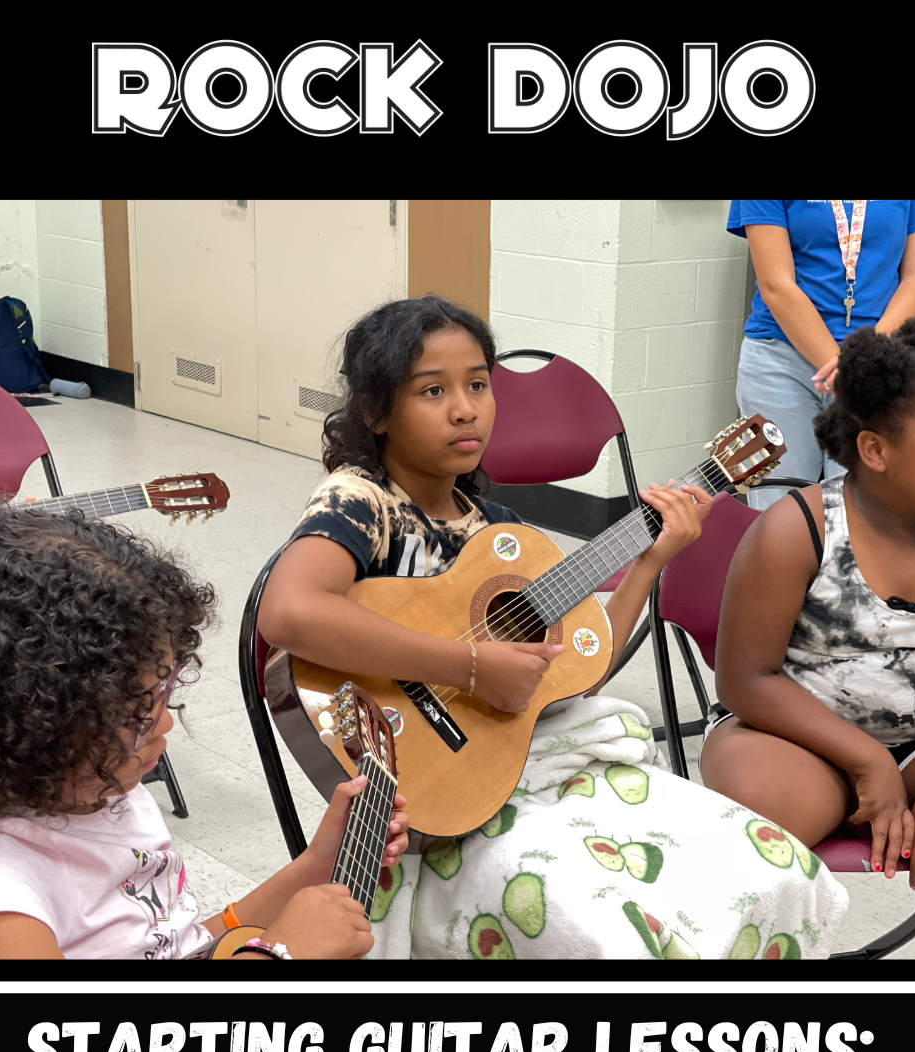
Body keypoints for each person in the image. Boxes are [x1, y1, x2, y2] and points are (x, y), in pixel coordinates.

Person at [257, 295, 851, 960]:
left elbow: (578, 662)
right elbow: (290, 612)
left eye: (479, 383)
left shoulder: (497, 530)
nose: (465, 407)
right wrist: (471, 668)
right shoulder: (360, 500)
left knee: (768, 869)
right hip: (412, 786)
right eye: (433, 390)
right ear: (374, 411)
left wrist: (649, 563)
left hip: (506, 770)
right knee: (614, 932)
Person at [0, 498, 409, 960]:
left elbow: (177, 946)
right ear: (28, 731)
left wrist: (317, 863)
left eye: (163, 692)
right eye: (134, 714)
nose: (164, 722)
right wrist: (278, 956)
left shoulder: (99, 789)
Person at [699, 316, 915, 957]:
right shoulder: (801, 528)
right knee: (758, 812)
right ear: (875, 450)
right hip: (792, 734)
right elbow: (745, 679)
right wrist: (870, 764)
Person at [728, 200, 915, 509]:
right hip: (779, 360)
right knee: (777, 508)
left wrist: (864, 358)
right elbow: (776, 284)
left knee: (862, 507)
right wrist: (843, 367)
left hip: (872, 365)